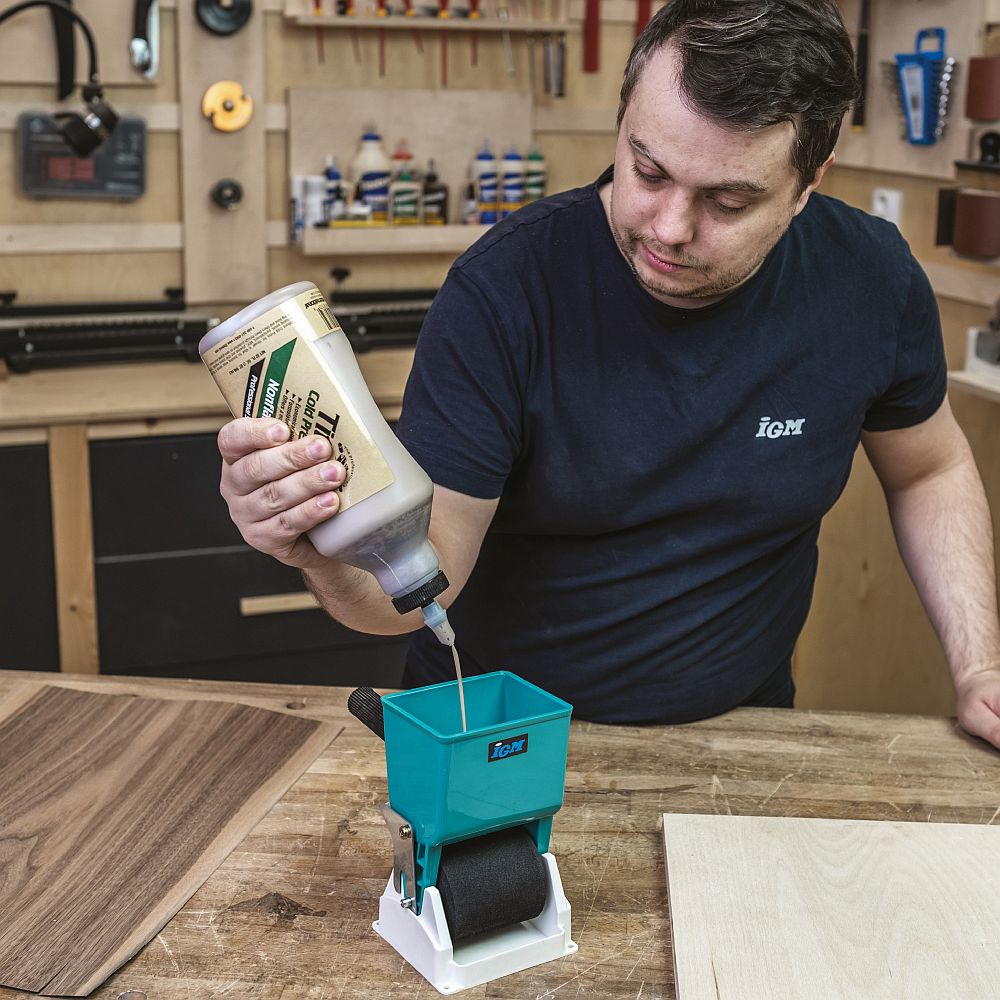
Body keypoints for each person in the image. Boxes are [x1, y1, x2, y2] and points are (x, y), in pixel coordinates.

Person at [217, 0, 1000, 747]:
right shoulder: (504, 291)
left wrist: (980, 667)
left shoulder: (869, 279)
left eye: (728, 202)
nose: (670, 228)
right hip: (496, 737)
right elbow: (420, 588)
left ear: (809, 182)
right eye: (648, 170)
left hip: (744, 734)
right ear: (623, 124)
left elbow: (928, 469)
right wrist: (318, 553)